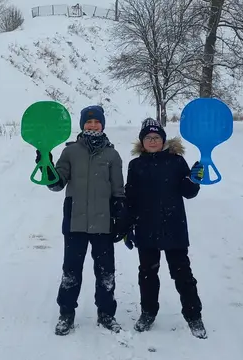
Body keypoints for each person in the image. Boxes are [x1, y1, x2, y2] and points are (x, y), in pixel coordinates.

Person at [38, 104, 126, 335]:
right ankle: (66, 313)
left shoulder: (112, 154)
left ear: (103, 124)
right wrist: (46, 163)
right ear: (82, 125)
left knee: (106, 272)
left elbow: (118, 190)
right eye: (89, 122)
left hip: (104, 223)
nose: (93, 125)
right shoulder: (70, 152)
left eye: (97, 122)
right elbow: (56, 184)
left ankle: (106, 314)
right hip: (75, 221)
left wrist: (121, 216)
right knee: (71, 271)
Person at [122, 117, 208, 339]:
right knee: (148, 274)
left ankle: (194, 316)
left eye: (157, 137)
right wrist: (127, 225)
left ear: (163, 140)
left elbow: (188, 192)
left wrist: (195, 179)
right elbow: (130, 198)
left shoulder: (176, 161)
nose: (152, 141)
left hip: (174, 227)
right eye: (148, 138)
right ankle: (148, 313)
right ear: (142, 142)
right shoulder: (135, 165)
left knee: (182, 274)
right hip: (145, 228)